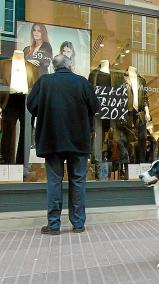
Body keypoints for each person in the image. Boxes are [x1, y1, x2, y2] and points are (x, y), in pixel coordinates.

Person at [27, 55, 100, 235]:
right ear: (70, 65)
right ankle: (78, 224)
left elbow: (31, 105)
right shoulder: (82, 82)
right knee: (78, 181)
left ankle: (53, 225)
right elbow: (95, 107)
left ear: (54, 66)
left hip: (52, 140)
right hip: (78, 141)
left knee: (54, 182)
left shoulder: (44, 82)